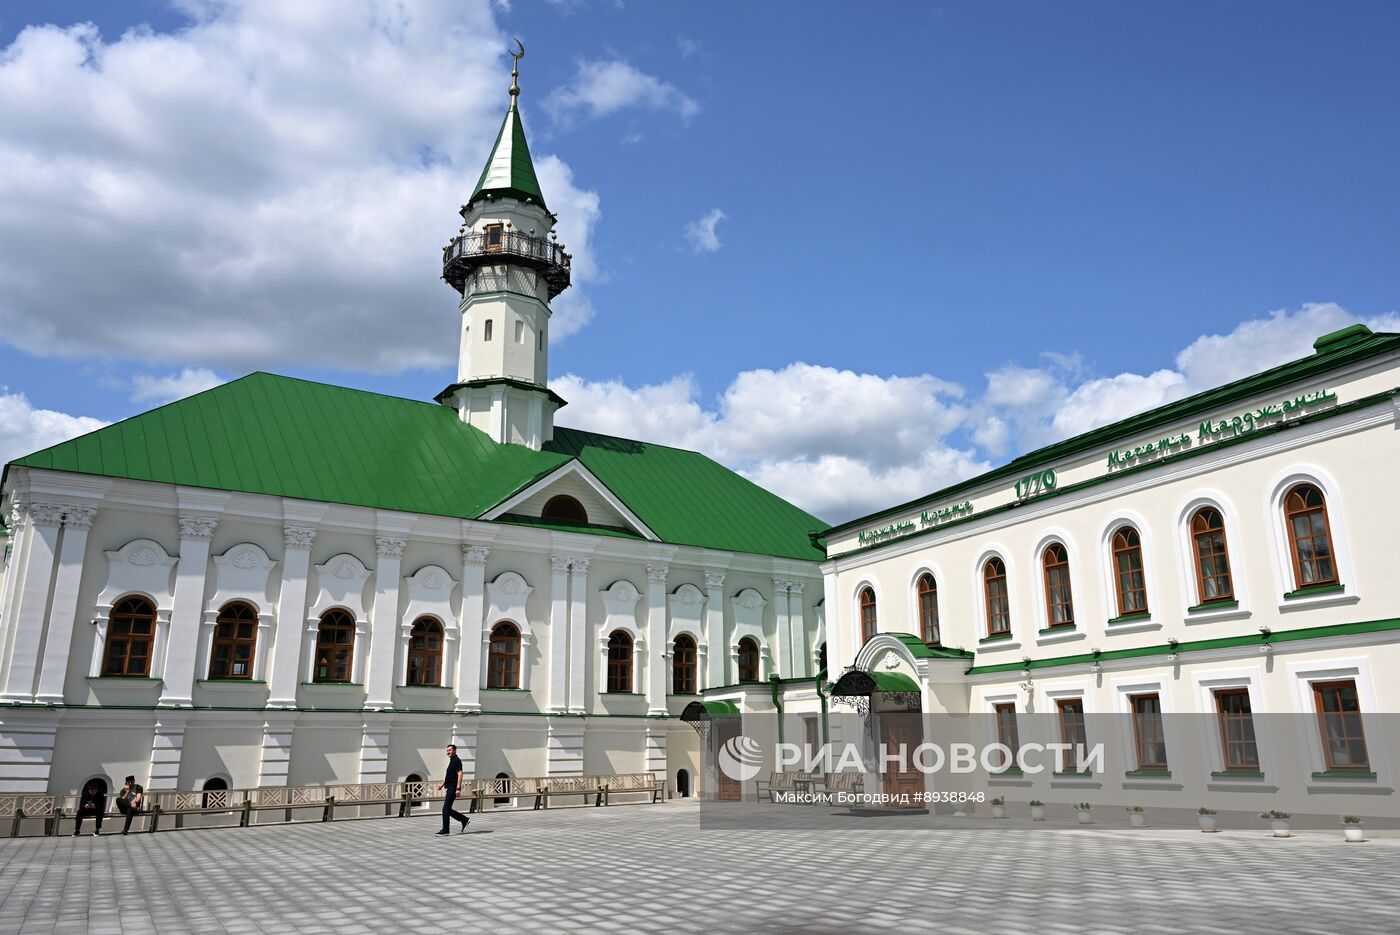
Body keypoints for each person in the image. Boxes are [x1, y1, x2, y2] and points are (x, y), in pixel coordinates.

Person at [436, 744, 469, 836]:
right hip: (450, 787)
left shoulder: (456, 761)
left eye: (450, 750)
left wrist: (458, 788)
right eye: (447, 751)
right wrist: (442, 784)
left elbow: (460, 774)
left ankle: (446, 830)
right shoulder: (452, 761)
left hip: (453, 788)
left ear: (455, 751)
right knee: (448, 809)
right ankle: (464, 820)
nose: (448, 752)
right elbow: (449, 776)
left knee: (445, 809)